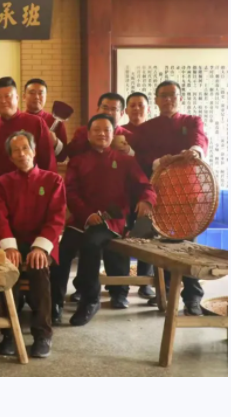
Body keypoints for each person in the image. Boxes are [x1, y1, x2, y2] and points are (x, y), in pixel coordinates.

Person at [54, 114, 156, 326]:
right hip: (82, 220)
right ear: (88, 134)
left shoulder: (126, 161)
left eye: (106, 130)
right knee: (61, 251)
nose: (102, 133)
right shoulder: (78, 162)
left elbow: (145, 186)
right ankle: (54, 302)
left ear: (113, 133)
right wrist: (86, 214)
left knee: (91, 243)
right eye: (96, 130)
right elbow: (70, 193)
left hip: (112, 221)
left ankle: (90, 301)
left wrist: (146, 200)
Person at [129, 81, 209, 315]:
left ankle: (192, 298)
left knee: (189, 246)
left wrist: (195, 151)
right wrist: (157, 161)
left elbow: (199, 139)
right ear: (156, 100)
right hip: (160, 192)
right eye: (163, 95)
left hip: (188, 192)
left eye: (172, 95)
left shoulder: (191, 121)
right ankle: (163, 293)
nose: (168, 99)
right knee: (162, 244)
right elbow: (141, 155)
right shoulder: (147, 128)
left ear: (180, 98)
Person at [0, 130, 66, 358]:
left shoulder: (53, 180)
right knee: (8, 270)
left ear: (34, 151)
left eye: (25, 148)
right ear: (10, 157)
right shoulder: (2, 183)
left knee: (38, 267)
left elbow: (57, 217)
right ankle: (9, 333)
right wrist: (9, 247)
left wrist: (40, 247)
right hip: (12, 242)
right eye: (16, 150)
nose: (22, 153)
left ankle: (42, 334)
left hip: (42, 242)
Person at [0, 77, 57, 190]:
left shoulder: (36, 123)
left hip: (33, 192)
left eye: (7, 96)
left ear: (17, 97)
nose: (3, 101)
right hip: (1, 194)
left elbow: (48, 163)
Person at [122, 92, 154, 299]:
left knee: (145, 236)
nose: (136, 109)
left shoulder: (153, 133)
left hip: (146, 192)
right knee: (121, 237)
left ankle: (145, 282)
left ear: (148, 109)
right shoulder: (119, 132)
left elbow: (154, 161)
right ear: (125, 110)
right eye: (132, 105)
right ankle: (121, 284)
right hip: (123, 193)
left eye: (140, 105)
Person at [61, 93, 134, 161]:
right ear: (98, 109)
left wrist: (128, 150)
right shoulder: (83, 131)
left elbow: (136, 160)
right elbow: (71, 154)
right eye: (105, 108)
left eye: (113, 109)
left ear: (121, 113)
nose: (109, 112)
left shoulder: (127, 135)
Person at [23, 78, 68, 161]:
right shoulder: (18, 120)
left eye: (40, 93)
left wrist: (55, 142)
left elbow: (62, 157)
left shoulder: (56, 121)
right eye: (32, 93)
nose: (36, 97)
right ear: (24, 96)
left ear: (46, 96)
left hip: (47, 169)